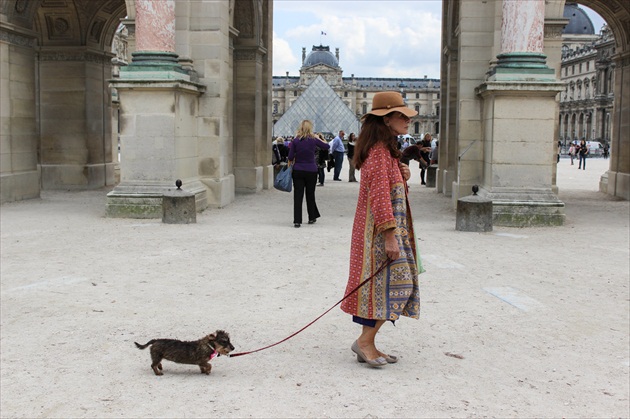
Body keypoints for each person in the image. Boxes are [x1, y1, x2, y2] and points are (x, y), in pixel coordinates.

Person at [341, 91, 420, 367]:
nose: (408, 120)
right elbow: (379, 196)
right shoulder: (378, 152)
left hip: (385, 231)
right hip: (378, 234)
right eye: (402, 115)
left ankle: (367, 342)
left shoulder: (385, 152)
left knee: (385, 288)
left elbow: (389, 188)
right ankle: (364, 342)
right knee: (397, 285)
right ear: (386, 120)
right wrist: (389, 235)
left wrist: (402, 175)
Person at [287, 120, 330, 228]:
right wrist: (319, 137)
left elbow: (290, 157)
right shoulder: (314, 139)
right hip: (311, 170)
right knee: (310, 195)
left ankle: (297, 220)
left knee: (298, 195)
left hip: (298, 170)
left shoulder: (296, 140)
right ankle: (311, 217)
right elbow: (327, 147)